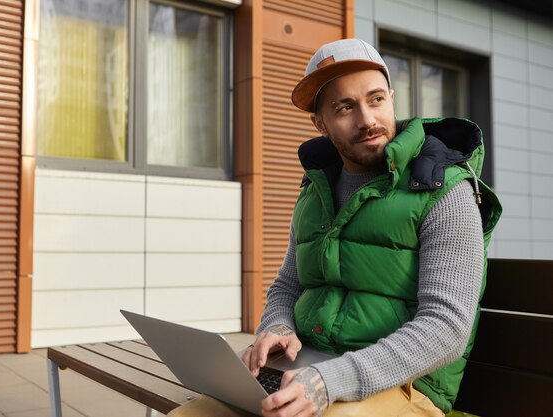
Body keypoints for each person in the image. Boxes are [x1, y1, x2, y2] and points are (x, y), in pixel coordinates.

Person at [169, 38, 501, 417]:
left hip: (405, 386)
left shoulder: (446, 190)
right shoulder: (317, 189)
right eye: (345, 107)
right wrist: (277, 326)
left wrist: (331, 380)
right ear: (320, 123)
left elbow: (446, 329)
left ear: (391, 98)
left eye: (376, 99)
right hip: (307, 368)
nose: (367, 120)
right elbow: (288, 285)